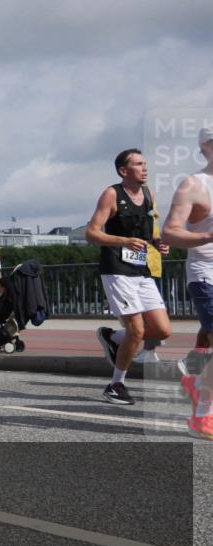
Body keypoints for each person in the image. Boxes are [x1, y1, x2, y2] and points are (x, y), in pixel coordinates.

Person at [86, 149, 172, 405]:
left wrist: (157, 243)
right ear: (124, 171)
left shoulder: (148, 194)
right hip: (116, 270)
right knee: (136, 330)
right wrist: (124, 240)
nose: (145, 168)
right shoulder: (112, 194)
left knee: (161, 329)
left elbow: (145, 233)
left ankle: (113, 338)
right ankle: (115, 385)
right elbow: (92, 233)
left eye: (145, 163)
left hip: (140, 269)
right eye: (138, 164)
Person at [159, 126, 213, 440]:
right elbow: (169, 232)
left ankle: (197, 380)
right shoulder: (193, 184)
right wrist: (208, 236)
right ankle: (203, 416)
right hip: (206, 274)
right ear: (205, 147)